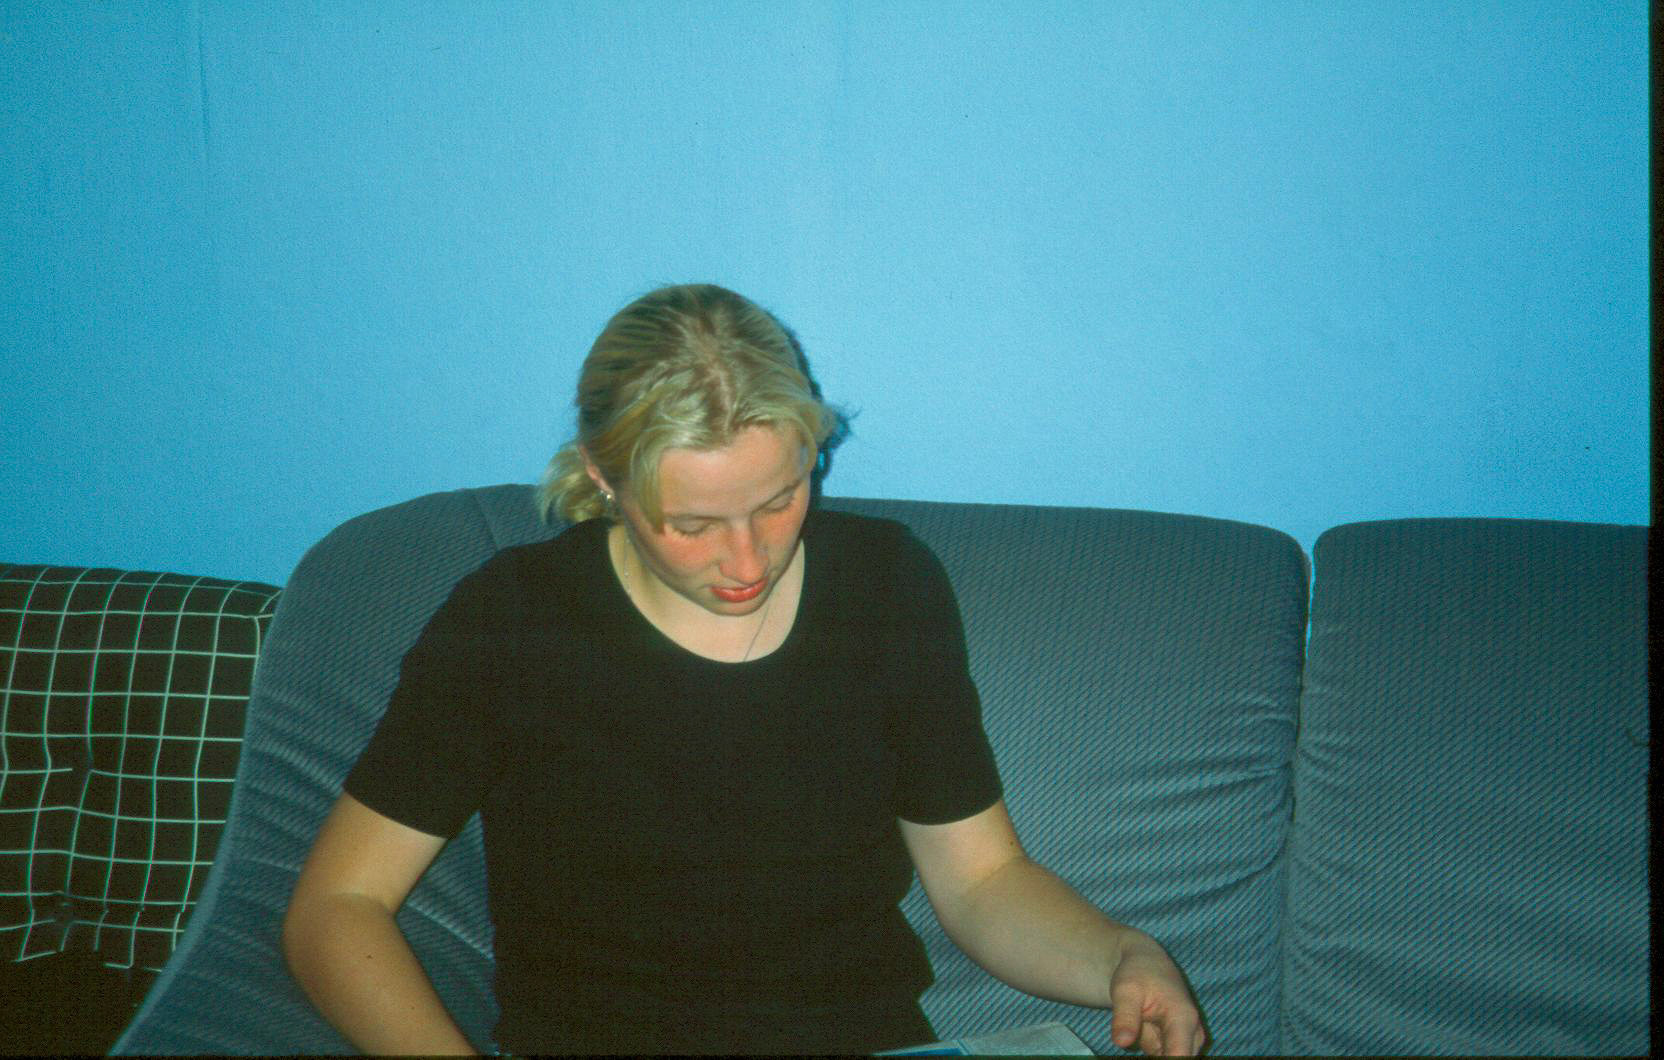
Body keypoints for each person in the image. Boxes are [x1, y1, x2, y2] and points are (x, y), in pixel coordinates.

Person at [282, 283, 1207, 1055]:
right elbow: (337, 906)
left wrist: (1121, 956)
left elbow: (982, 882)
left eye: (779, 498)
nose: (748, 561)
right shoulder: (515, 619)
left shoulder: (887, 585)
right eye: (692, 525)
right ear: (602, 478)